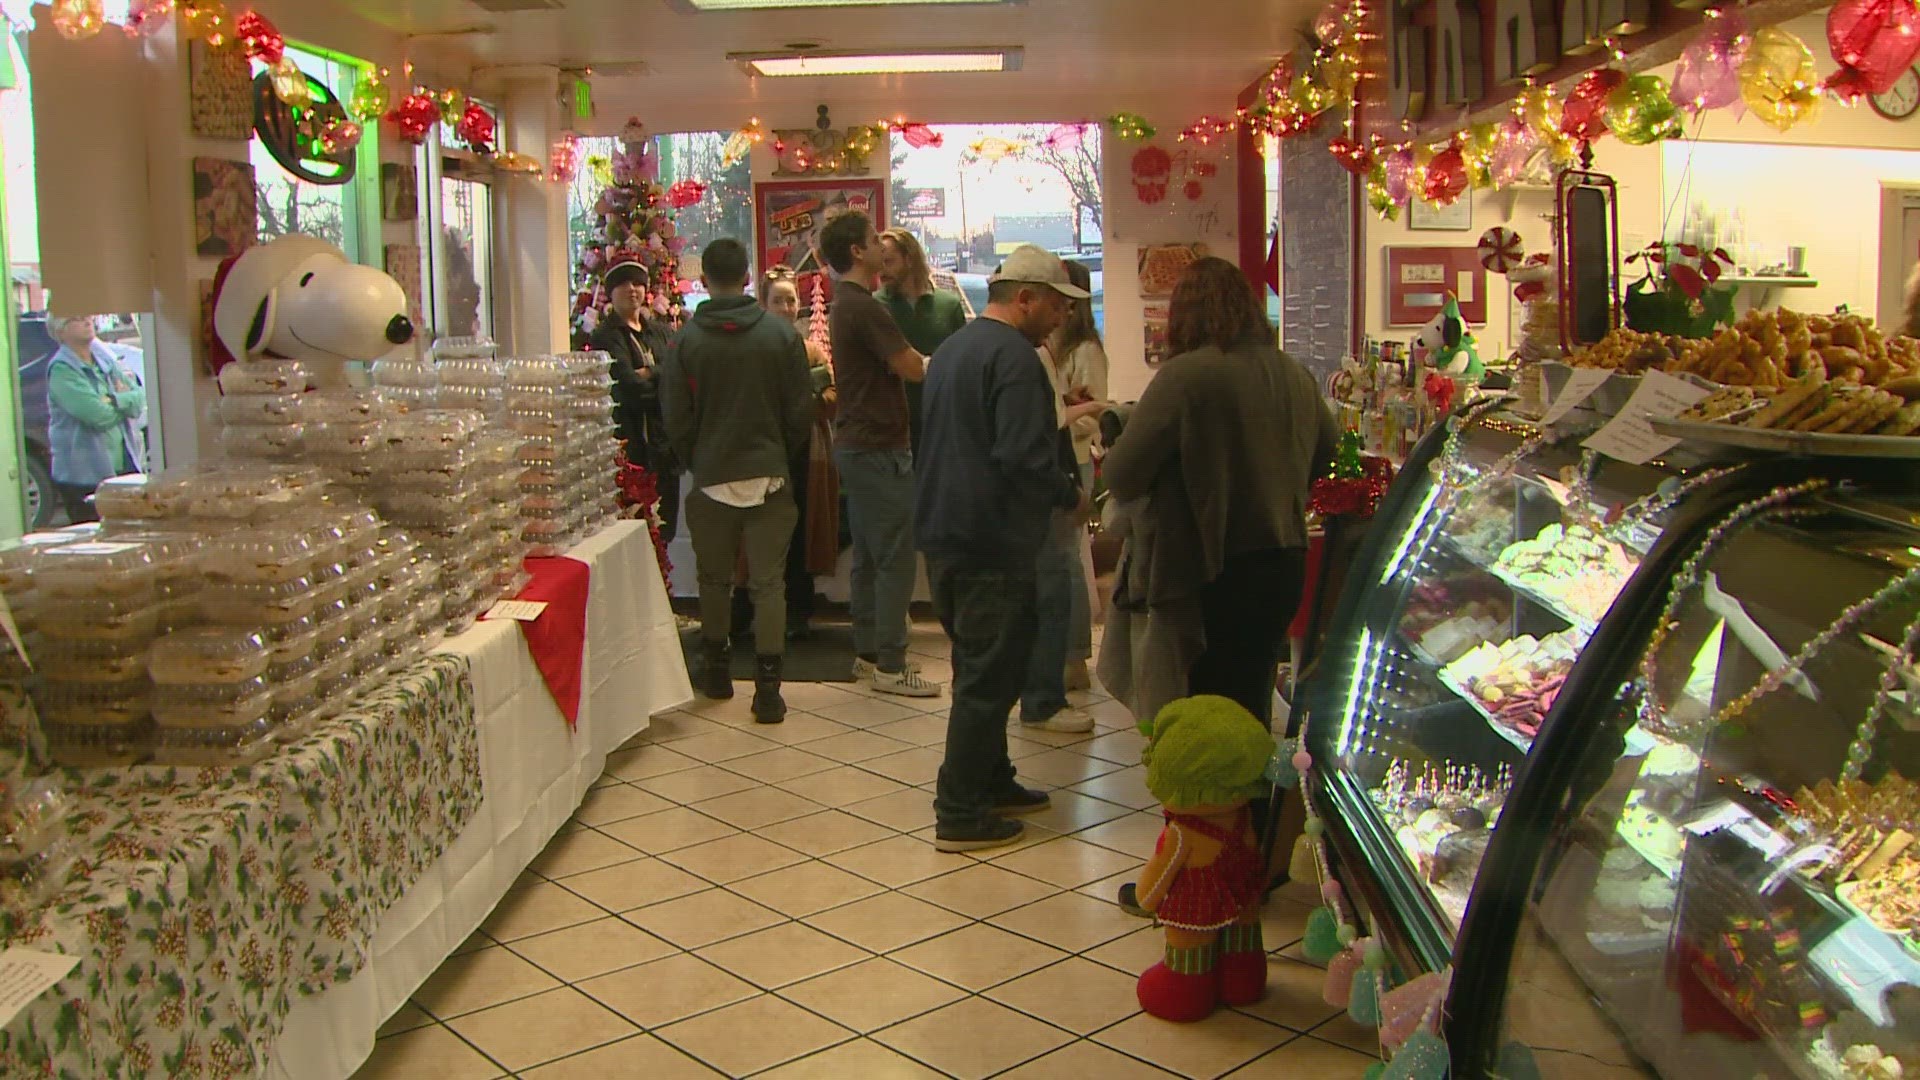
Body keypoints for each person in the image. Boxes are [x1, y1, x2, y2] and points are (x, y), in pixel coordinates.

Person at [1100, 257, 1334, 915]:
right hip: (1282, 562)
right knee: (1251, 711)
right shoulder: (1292, 373)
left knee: (1196, 725)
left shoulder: (1186, 375)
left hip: (1207, 567)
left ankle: (1203, 872)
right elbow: (1331, 455)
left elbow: (1123, 472)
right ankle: (1251, 858)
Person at [915, 245, 1088, 851]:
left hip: (945, 533)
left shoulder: (952, 351)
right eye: (1058, 304)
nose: (1063, 316)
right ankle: (959, 812)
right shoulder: (1016, 358)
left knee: (976, 665)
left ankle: (992, 778)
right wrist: (1068, 492)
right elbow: (1020, 455)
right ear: (1026, 298)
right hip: (992, 539)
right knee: (990, 677)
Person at [660, 238, 815, 723]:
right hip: (769, 472)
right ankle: (768, 692)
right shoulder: (780, 336)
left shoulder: (684, 341)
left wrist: (697, 459)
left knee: (713, 578)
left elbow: (675, 417)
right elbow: (799, 411)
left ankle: (718, 672)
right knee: (769, 585)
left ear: (704, 279)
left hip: (710, 475)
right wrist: (780, 457)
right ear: (748, 276)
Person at [820, 210, 940, 698]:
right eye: (873, 240)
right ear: (856, 252)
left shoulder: (844, 304)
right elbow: (911, 368)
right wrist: (950, 361)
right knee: (894, 558)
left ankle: (869, 655)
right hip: (878, 447)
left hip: (858, 445)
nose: (881, 248)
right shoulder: (864, 306)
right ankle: (892, 664)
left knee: (870, 556)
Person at [1019, 258, 1109, 733]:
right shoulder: (1039, 351)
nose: (1059, 313)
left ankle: (1072, 660)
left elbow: (1092, 419)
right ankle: (1056, 668)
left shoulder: (1085, 350)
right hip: (1054, 464)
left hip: (1071, 462)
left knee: (1064, 565)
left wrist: (1081, 410)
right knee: (1056, 566)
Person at [729, 266, 839, 641]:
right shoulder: (749, 348)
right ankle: (744, 613)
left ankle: (798, 612)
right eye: (778, 300)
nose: (786, 307)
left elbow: (831, 396)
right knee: (755, 533)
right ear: (763, 304)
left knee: (798, 528)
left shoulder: (811, 351)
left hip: (805, 454)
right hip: (760, 453)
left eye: (791, 300)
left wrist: (803, 404)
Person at [589, 257, 682, 542]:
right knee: (638, 528)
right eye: (625, 284)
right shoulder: (606, 336)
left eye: (639, 283)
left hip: (665, 446)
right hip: (634, 448)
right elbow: (628, 387)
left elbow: (678, 376)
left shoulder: (660, 331)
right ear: (611, 291)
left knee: (665, 527)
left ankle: (664, 585)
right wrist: (659, 380)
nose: (633, 290)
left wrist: (649, 372)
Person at [876, 228, 967, 462]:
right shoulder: (876, 306)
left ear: (909, 259)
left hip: (942, 422)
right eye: (879, 262)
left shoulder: (948, 306)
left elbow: (963, 364)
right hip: (892, 426)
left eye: (889, 261)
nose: (882, 270)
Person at [46, 315, 145, 524]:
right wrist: (122, 403)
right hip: (84, 477)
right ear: (61, 331)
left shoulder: (105, 360)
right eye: (77, 318)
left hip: (122, 470)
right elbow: (98, 416)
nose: (87, 320)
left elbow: (138, 400)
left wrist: (113, 400)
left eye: (88, 315)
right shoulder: (62, 370)